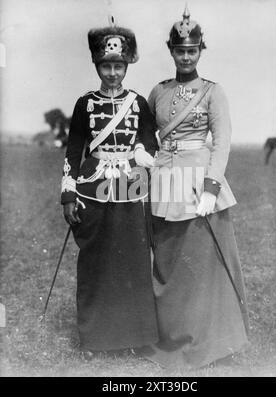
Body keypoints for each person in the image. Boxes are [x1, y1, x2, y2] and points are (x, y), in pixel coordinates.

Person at [141, 6, 250, 369]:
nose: (186, 56)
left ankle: (210, 341)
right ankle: (171, 335)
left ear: (201, 50)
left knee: (202, 267)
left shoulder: (213, 92)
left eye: (192, 50)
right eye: (179, 50)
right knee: (169, 263)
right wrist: (144, 157)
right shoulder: (158, 91)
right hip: (165, 183)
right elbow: (148, 138)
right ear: (170, 50)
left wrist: (210, 188)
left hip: (199, 183)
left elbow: (221, 143)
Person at [61, 20, 158, 358]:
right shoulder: (83, 103)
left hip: (131, 186)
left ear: (127, 65)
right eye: (106, 65)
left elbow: (149, 144)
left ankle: (136, 336)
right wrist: (68, 194)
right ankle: (95, 338)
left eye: (119, 65)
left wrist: (143, 155)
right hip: (93, 187)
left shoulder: (139, 103)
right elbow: (74, 152)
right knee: (95, 261)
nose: (113, 72)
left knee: (132, 260)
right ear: (97, 65)